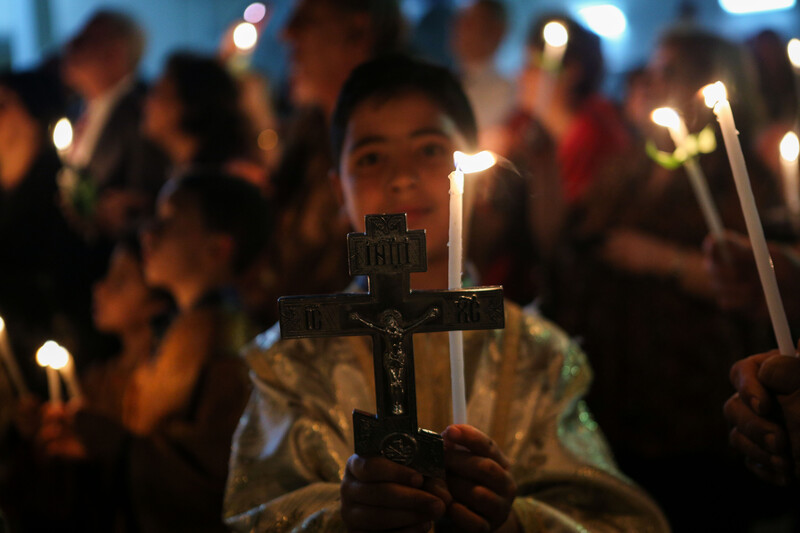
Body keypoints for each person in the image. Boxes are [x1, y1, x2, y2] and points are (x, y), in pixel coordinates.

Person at [223, 55, 668, 532]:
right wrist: (343, 517)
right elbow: (257, 513)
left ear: (472, 178)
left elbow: (614, 519)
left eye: (431, 150)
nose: (401, 177)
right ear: (339, 190)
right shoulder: (294, 360)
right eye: (371, 158)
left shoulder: (536, 353)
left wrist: (512, 519)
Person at [40, 172, 268, 532]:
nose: (148, 233)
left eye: (168, 221)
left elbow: (216, 481)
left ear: (217, 249)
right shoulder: (184, 334)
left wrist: (119, 448)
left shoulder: (228, 348)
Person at [263, 0, 405, 325]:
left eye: (307, 20)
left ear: (358, 30)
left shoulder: (398, 150)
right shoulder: (308, 138)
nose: (286, 33)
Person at [61, 10, 168, 240]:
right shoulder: (79, 109)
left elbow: (143, 200)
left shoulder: (145, 113)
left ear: (115, 53)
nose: (69, 45)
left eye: (84, 40)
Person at [142, 52, 262, 182]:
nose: (146, 102)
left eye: (158, 93)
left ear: (188, 106)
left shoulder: (229, 180)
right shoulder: (182, 173)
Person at [451, 0, 514, 143]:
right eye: (459, 20)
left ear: (496, 32)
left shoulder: (505, 91)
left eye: (470, 22)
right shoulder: (446, 81)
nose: (459, 28)